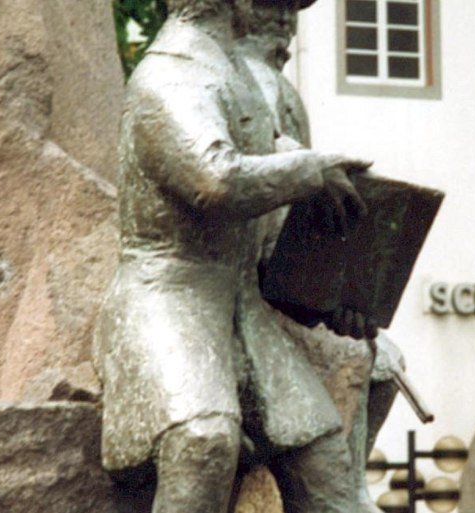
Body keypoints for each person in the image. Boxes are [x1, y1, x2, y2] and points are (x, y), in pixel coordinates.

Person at [92, 0, 376, 512]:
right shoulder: (171, 75)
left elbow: (267, 236)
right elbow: (215, 181)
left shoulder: (237, 77)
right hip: (169, 297)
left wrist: (331, 302)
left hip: (242, 310)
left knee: (324, 459)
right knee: (203, 442)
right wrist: (310, 171)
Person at [236, 2, 405, 512]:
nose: (285, 24)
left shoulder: (285, 97)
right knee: (347, 360)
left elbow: (299, 228)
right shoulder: (219, 84)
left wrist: (335, 298)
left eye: (291, 12)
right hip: (233, 295)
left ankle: (354, 484)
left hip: (281, 292)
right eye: (272, 9)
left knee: (382, 358)